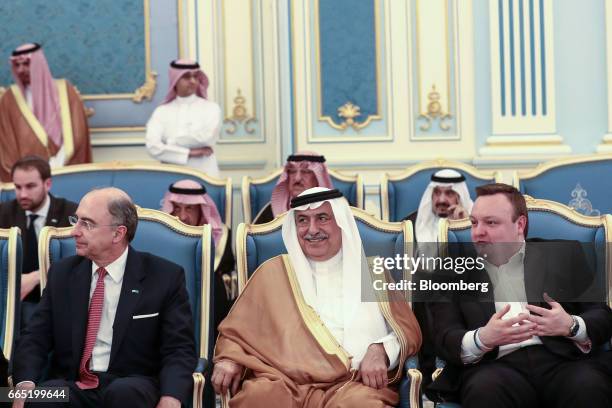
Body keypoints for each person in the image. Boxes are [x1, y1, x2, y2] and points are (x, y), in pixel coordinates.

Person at [212, 187, 422, 407]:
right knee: (259, 398)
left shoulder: (372, 273)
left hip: (352, 384)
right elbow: (237, 334)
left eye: (322, 218)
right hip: (283, 382)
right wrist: (229, 359)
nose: (312, 230)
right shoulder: (272, 273)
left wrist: (381, 350)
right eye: (303, 220)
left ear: (341, 222)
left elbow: (407, 331)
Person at [427, 183, 612, 407]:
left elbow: (602, 315)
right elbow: (442, 336)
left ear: (520, 224)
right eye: (474, 222)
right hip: (494, 367)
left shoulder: (562, 254)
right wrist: (482, 338)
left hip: (563, 361)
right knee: (485, 390)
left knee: (588, 384)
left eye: (491, 222)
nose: (478, 232)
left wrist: (571, 325)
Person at [12, 188, 197, 408]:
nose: (75, 231)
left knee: (124, 394)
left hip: (133, 385)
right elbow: (35, 337)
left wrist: (172, 397)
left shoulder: (164, 276)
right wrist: (24, 384)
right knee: (36, 399)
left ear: (118, 234)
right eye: (76, 220)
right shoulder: (62, 273)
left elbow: (179, 348)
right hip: (72, 385)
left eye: (87, 224)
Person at [0, 43, 92, 182]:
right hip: (28, 179)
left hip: (66, 170)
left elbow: (78, 135)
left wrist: (57, 165)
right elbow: (6, 145)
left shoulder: (65, 90)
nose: (20, 70)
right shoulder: (9, 98)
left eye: (25, 64)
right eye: (17, 65)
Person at [0, 156, 77, 319]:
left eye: (30, 186)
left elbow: (79, 259)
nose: (23, 194)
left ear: (47, 184)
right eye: (18, 187)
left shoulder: (70, 213)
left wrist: (36, 277)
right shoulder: (3, 213)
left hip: (58, 294)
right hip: (11, 298)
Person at [160, 179, 236, 328]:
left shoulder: (221, 235)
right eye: (176, 208)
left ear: (201, 209)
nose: (182, 217)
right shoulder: (161, 237)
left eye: (189, 208)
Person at [146, 59, 222, 178]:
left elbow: (207, 138)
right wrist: (191, 152)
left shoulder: (211, 108)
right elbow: (152, 147)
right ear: (175, 80)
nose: (192, 81)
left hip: (205, 174)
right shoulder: (161, 111)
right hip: (172, 174)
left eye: (195, 76)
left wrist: (172, 142)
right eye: (186, 77)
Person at [253, 151, 333, 224]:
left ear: (318, 178)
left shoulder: (335, 210)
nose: (297, 178)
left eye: (305, 172)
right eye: (292, 171)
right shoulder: (271, 210)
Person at [406, 169, 473, 243]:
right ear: (431, 195)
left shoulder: (477, 223)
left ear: (460, 197)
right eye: (437, 192)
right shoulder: (410, 225)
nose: (441, 200)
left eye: (449, 193)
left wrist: (464, 226)